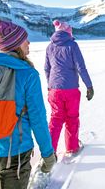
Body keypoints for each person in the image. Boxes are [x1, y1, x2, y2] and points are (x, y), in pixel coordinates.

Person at [0, 15, 56, 189]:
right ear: (15, 44)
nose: (28, 43)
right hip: (15, 156)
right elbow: (38, 118)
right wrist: (47, 154)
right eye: (24, 40)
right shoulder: (28, 74)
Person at [44, 19, 94, 155]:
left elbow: (47, 69)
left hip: (54, 90)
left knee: (55, 119)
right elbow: (81, 68)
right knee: (71, 118)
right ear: (68, 32)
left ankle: (49, 151)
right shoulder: (73, 45)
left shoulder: (50, 47)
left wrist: (50, 86)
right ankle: (72, 148)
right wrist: (89, 86)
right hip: (71, 89)